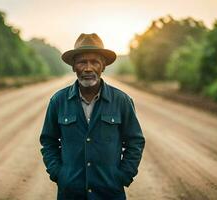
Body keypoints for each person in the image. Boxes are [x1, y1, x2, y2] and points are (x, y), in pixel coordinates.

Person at [40, 33, 145, 200]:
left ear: (103, 66)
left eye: (94, 62)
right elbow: (48, 140)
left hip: (110, 194)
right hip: (70, 194)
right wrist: (59, 174)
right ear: (74, 66)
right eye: (82, 62)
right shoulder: (58, 101)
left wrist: (123, 176)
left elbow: (135, 141)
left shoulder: (122, 101)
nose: (88, 68)